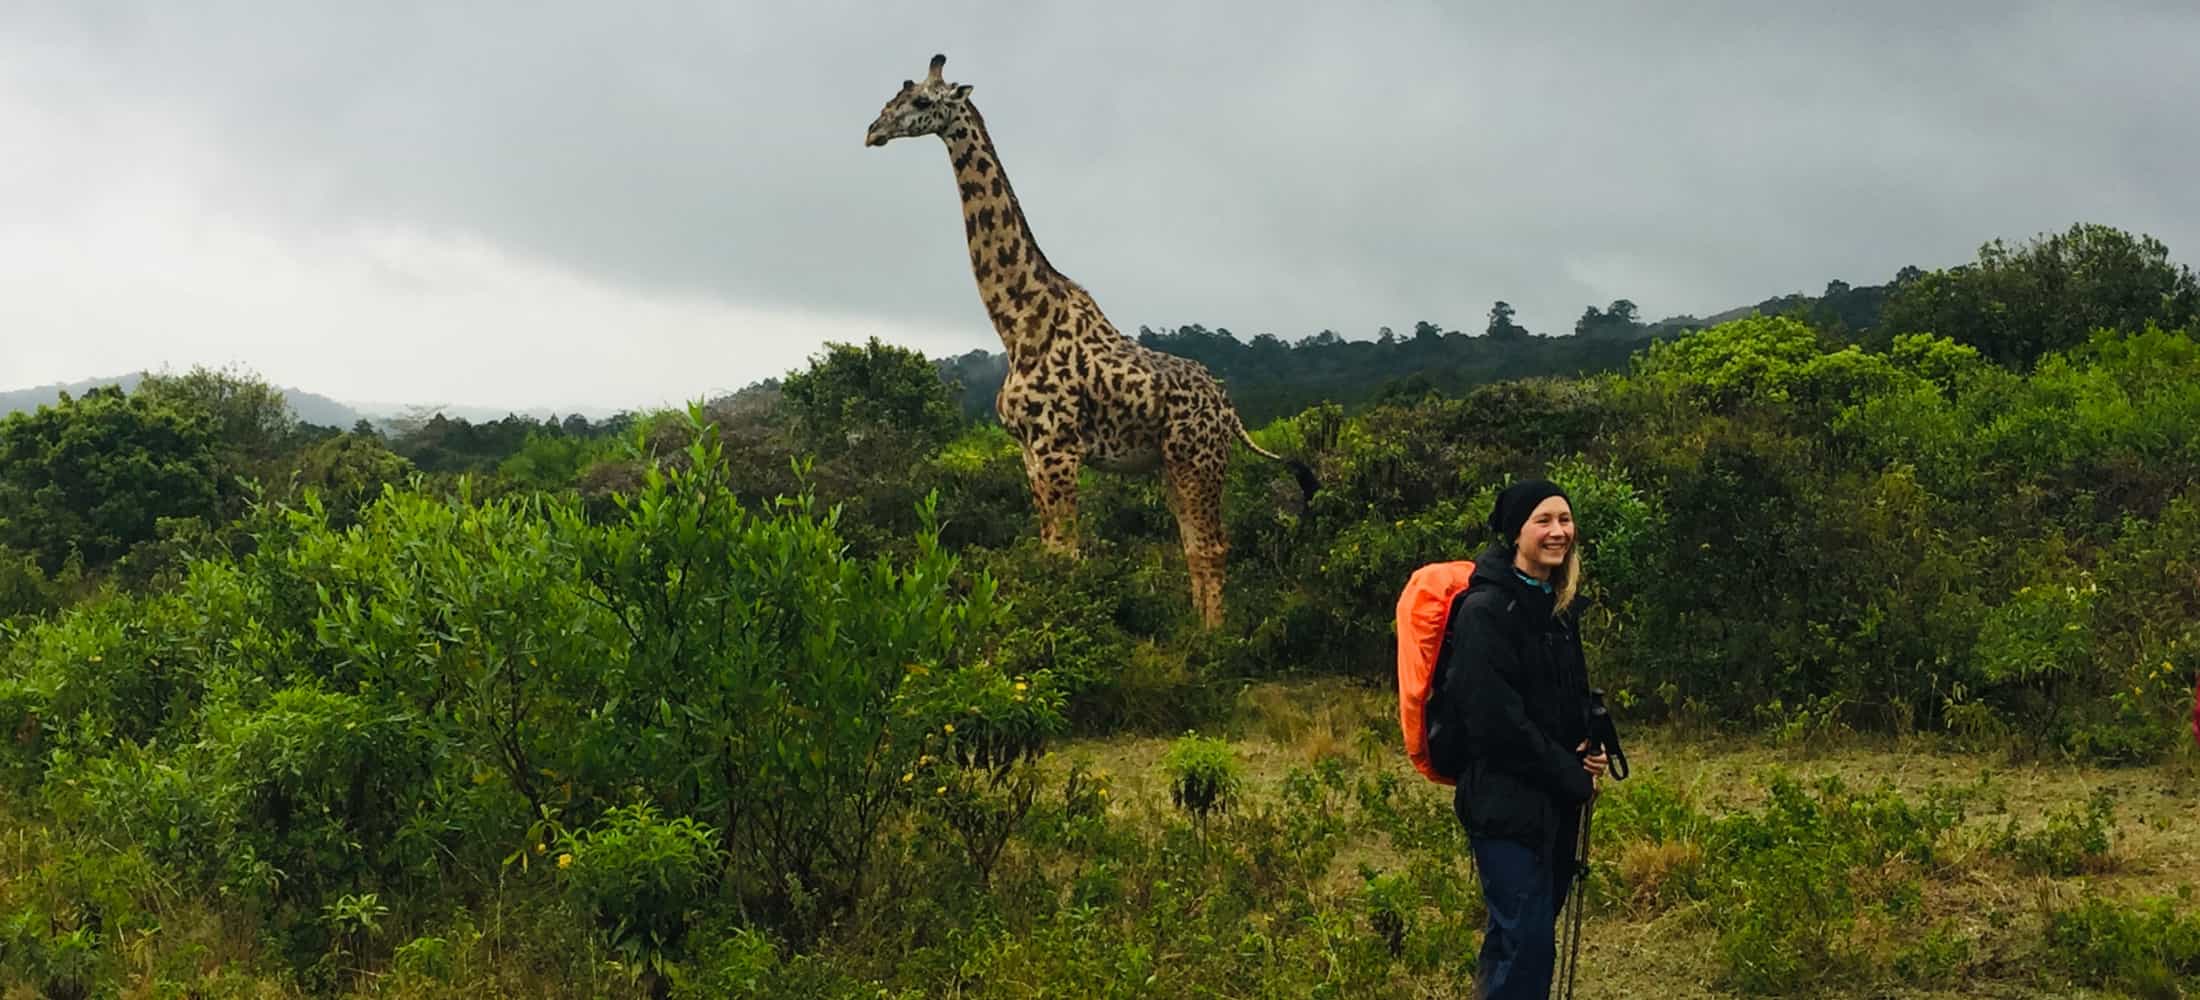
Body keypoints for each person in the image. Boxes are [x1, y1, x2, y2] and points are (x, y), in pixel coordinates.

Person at [1436, 478, 1609, 999]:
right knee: (1529, 948)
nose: (1559, 532)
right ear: (1515, 533)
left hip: (1551, 806)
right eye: (1544, 521)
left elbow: (1559, 701)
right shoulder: (1485, 612)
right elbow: (1495, 726)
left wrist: (1588, 745)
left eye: (1564, 519)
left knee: (1514, 940)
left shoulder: (1556, 608)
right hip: (1504, 807)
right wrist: (1569, 774)